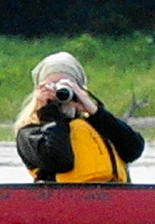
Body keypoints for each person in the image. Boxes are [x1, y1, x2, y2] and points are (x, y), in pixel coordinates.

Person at [13, 52, 146, 185]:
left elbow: (133, 148)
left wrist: (94, 111)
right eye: (51, 86)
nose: (58, 93)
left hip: (113, 201)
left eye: (64, 85)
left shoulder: (99, 125)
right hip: (62, 202)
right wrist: (48, 113)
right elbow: (59, 161)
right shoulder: (30, 132)